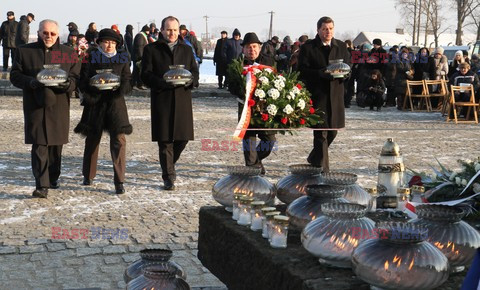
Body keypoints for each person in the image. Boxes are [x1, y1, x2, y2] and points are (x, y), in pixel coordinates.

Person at [10, 19, 81, 198]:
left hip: (59, 105)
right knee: (39, 144)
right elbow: (15, 75)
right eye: (45, 33)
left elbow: (76, 77)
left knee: (56, 145)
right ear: (39, 32)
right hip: (35, 104)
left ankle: (53, 176)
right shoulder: (24, 51)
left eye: (52, 33)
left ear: (57, 34)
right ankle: (41, 184)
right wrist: (31, 82)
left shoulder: (69, 53)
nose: (48, 36)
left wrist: (67, 84)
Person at [141, 16, 199, 191]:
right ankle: (168, 177)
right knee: (165, 140)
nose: (172, 33)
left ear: (179, 30)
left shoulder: (186, 50)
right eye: (168, 30)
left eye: (175, 30)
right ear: (162, 30)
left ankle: (168, 163)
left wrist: (190, 82)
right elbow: (145, 75)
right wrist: (161, 82)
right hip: (162, 99)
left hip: (182, 99)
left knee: (182, 139)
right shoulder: (151, 49)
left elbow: (194, 73)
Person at [74, 28, 132, 194]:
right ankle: (88, 174)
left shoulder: (122, 58)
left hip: (115, 104)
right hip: (95, 104)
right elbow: (82, 80)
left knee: (119, 141)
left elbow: (128, 79)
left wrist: (120, 88)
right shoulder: (90, 58)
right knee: (92, 140)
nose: (109, 45)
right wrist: (93, 89)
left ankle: (119, 181)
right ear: (99, 43)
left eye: (113, 43)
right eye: (106, 42)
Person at [298, 16, 350, 172]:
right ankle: (323, 171)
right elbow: (301, 71)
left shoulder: (341, 46)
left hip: (336, 96)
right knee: (321, 134)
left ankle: (314, 158)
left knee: (333, 132)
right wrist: (320, 74)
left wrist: (345, 74)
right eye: (325, 29)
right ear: (318, 30)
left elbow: (349, 66)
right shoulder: (308, 47)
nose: (328, 32)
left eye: (331, 28)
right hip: (318, 95)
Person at [228, 32, 275, 174]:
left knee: (269, 140)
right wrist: (243, 91)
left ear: (259, 47)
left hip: (264, 109)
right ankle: (251, 171)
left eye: (254, 46)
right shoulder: (237, 64)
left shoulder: (269, 62)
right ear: (243, 49)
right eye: (248, 47)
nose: (251, 50)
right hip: (245, 108)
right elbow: (231, 85)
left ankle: (256, 161)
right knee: (249, 140)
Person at [132, 25, 150, 90]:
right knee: (137, 70)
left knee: (137, 70)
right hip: (138, 57)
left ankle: (136, 84)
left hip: (140, 56)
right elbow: (139, 47)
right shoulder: (140, 36)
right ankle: (137, 84)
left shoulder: (142, 36)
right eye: (148, 31)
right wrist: (140, 57)